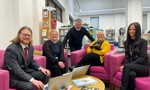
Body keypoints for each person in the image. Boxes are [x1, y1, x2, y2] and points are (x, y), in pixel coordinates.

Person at [120, 22, 149, 90]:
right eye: (130, 29)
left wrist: (127, 66)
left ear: (137, 31)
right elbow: (127, 57)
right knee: (131, 74)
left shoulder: (143, 42)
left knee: (127, 67)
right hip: (132, 67)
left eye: (133, 29)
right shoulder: (126, 42)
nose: (131, 31)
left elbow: (142, 58)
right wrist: (127, 65)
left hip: (143, 67)